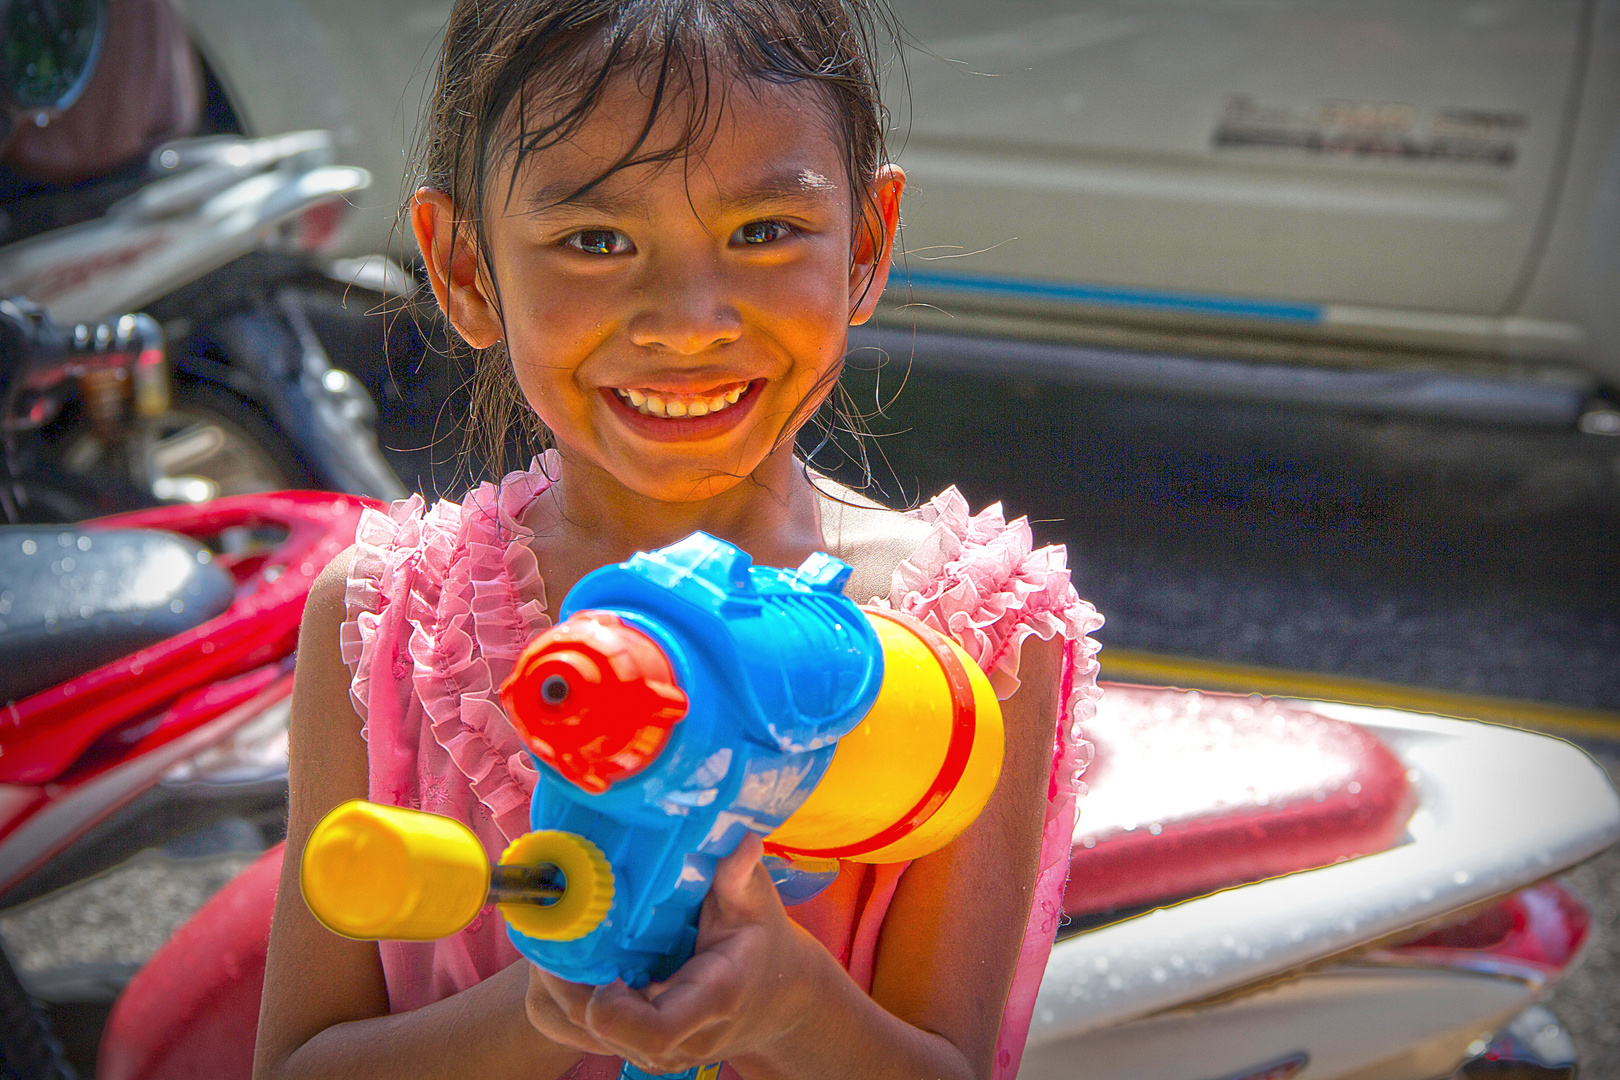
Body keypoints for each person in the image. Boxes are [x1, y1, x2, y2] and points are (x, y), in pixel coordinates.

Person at [253, 2, 1103, 1078]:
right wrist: (559, 991)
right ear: (465, 269)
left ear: (867, 244)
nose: (690, 319)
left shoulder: (970, 642)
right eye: (595, 241)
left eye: (762, 232)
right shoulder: (384, 627)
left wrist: (794, 1008)